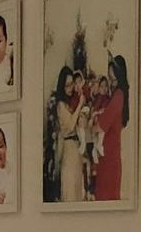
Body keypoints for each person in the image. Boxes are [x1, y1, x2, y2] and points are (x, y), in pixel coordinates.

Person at [94, 55, 130, 200]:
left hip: (109, 157)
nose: (111, 83)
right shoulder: (114, 96)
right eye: (109, 79)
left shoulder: (118, 96)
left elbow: (100, 126)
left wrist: (93, 121)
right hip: (107, 155)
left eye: (113, 79)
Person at [53, 67, 86, 203]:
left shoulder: (70, 102)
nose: (70, 88)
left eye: (72, 84)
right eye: (67, 85)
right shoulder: (61, 105)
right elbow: (70, 125)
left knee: (78, 186)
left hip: (76, 147)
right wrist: (80, 105)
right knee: (70, 187)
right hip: (68, 149)